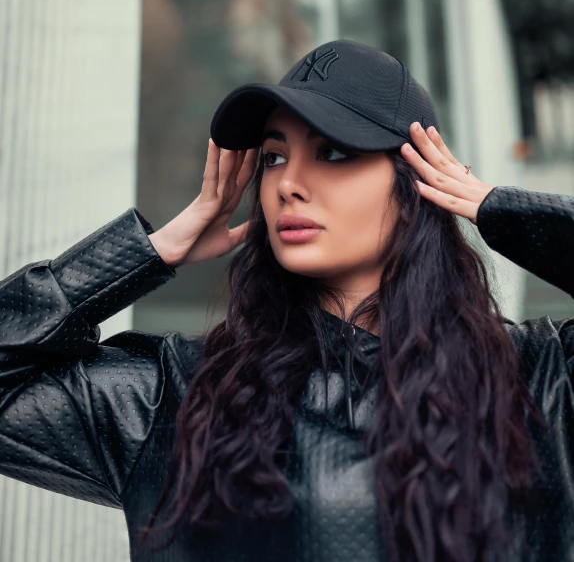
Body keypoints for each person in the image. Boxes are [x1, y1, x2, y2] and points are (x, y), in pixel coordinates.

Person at [0, 39, 573, 562]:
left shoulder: (540, 383)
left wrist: (500, 210)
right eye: (274, 157)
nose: (286, 183)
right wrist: (152, 250)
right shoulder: (176, 395)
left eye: (332, 153)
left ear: (416, 184)